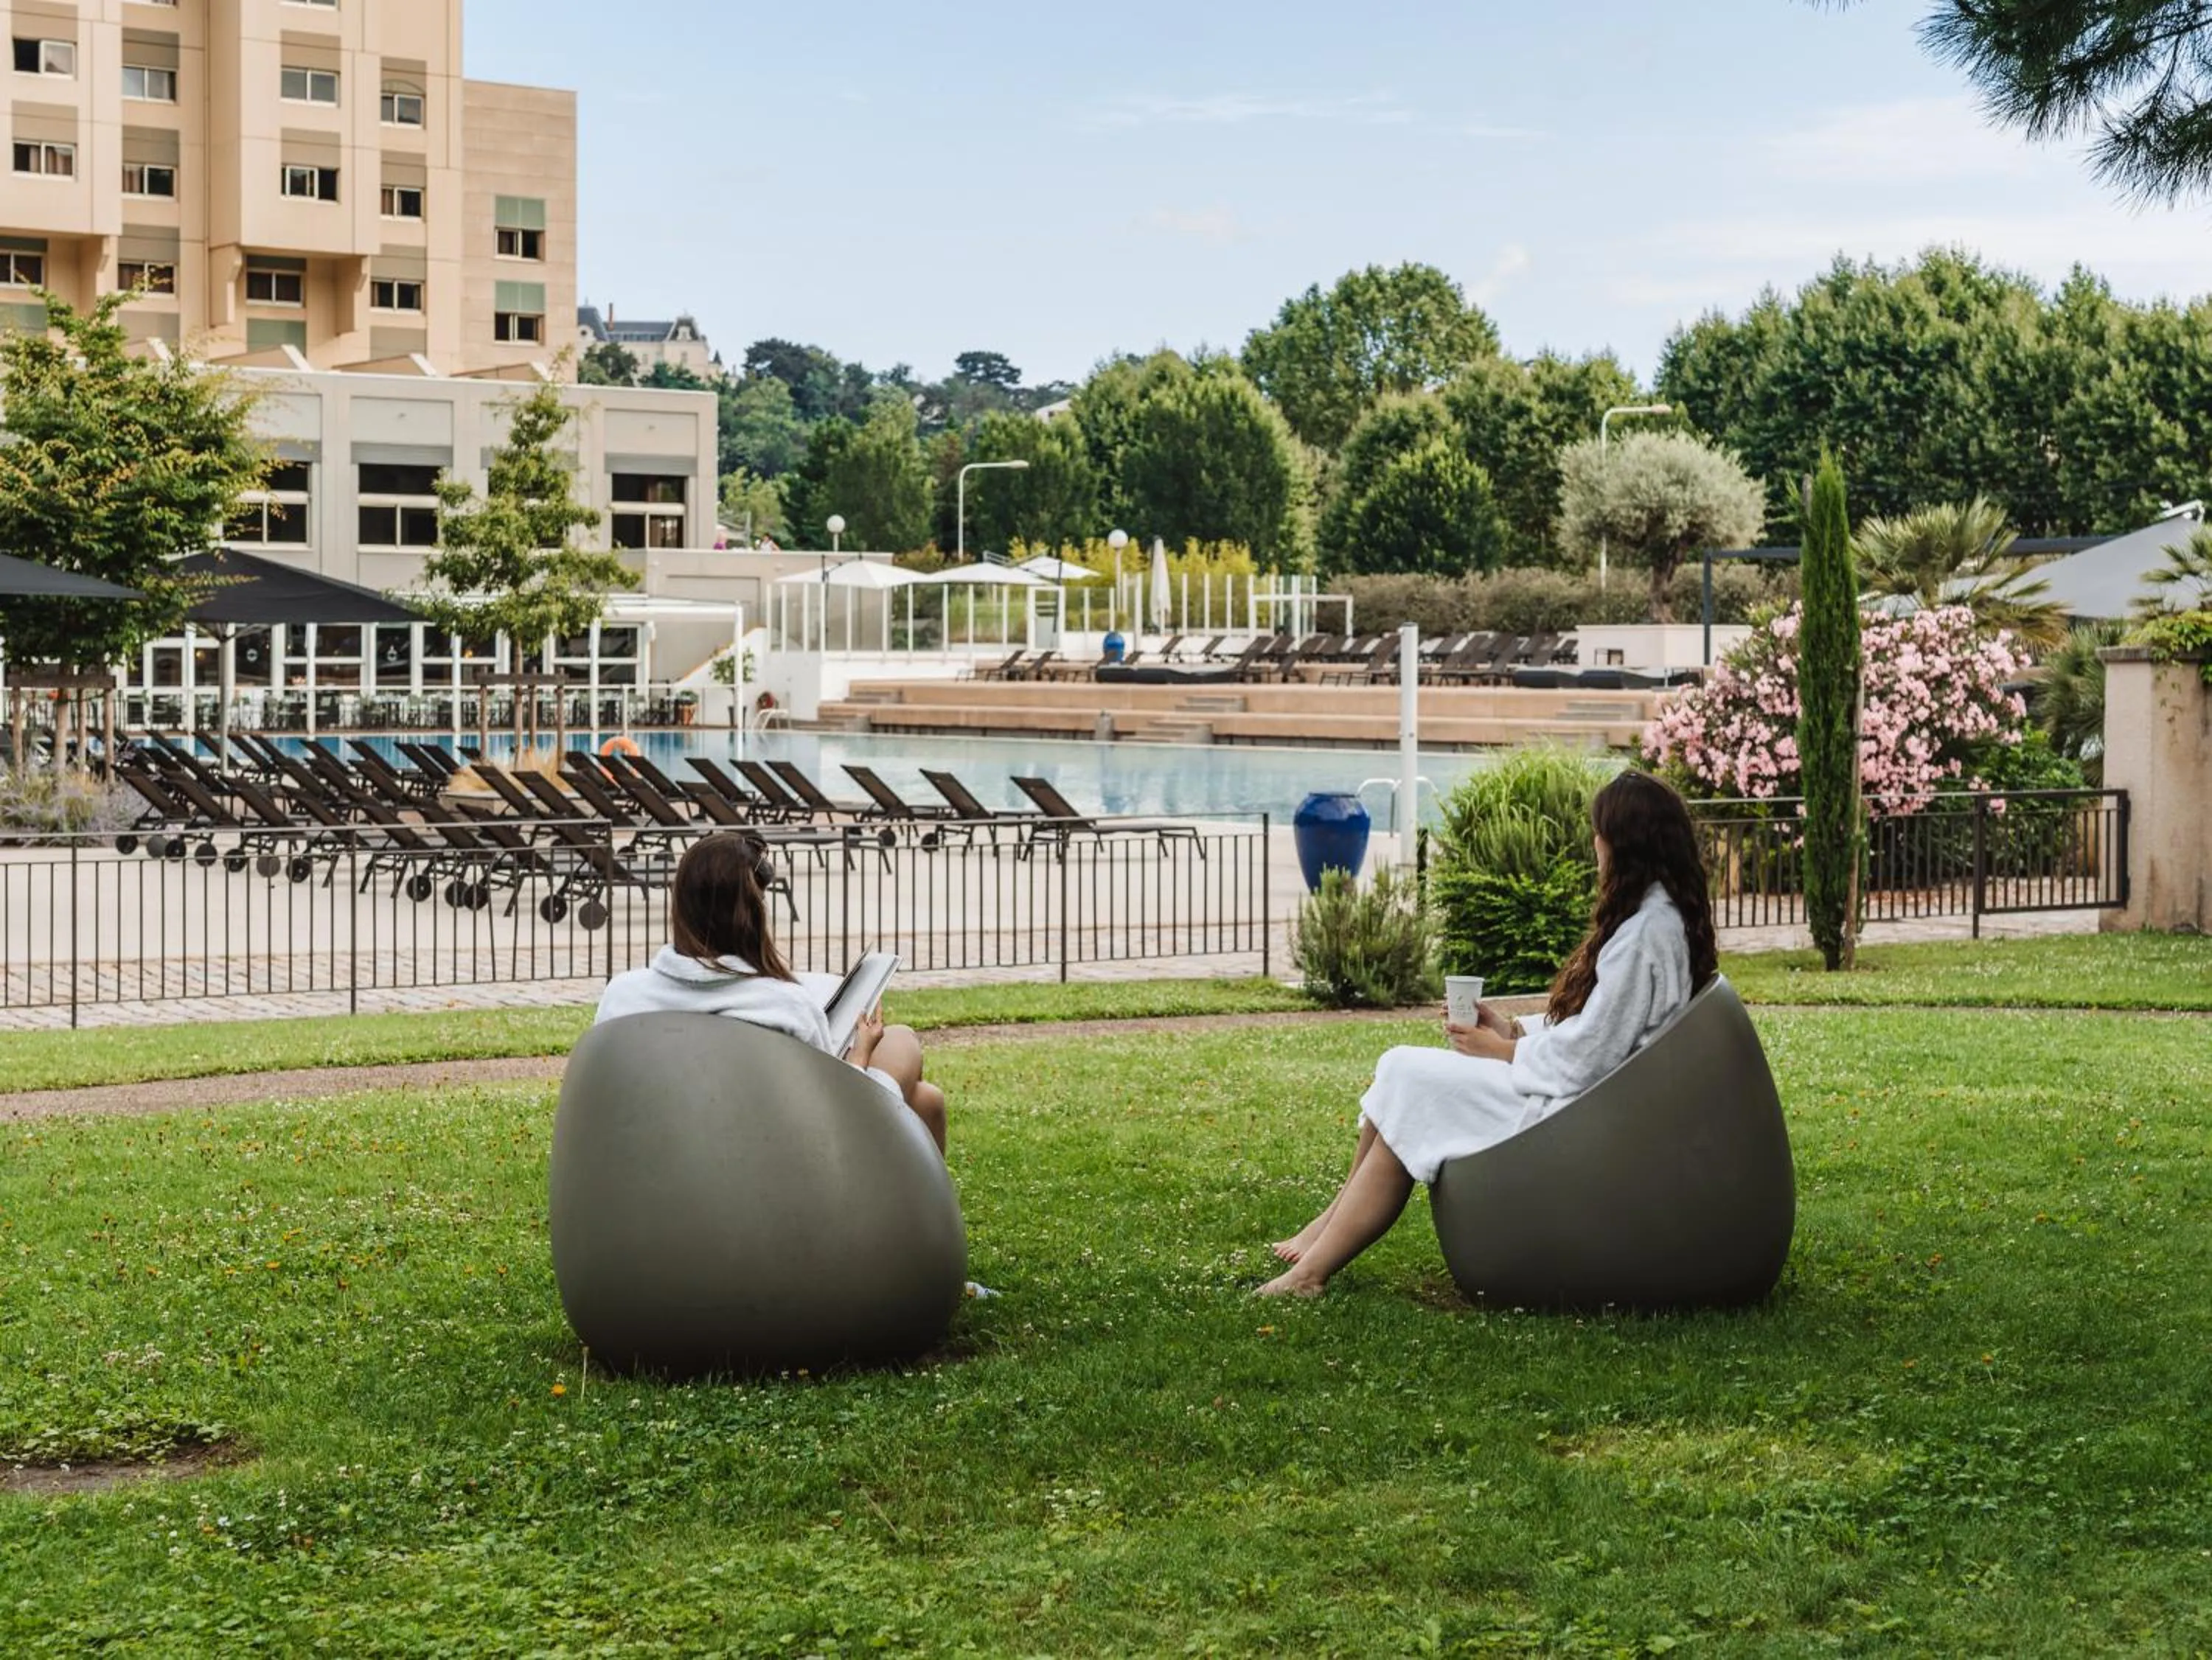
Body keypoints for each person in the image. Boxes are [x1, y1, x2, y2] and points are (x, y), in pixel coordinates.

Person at [1258, 770, 1717, 1298]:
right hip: (1584, 1096)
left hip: (1576, 1113)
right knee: (1402, 1070)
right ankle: (1328, 1226)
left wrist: (1503, 1052)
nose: (1594, 843)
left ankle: (1310, 1273)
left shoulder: (1644, 935)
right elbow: (1605, 1032)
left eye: (1599, 832)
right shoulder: (1657, 918)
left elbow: (1593, 1054)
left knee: (1411, 1078)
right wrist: (1514, 1028)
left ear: (1622, 842)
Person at [595, 831, 948, 1154]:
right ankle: (908, 1209)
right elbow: (831, 1119)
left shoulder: (623, 995)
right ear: (754, 915)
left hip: (662, 1151)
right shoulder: (784, 1006)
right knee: (903, 1042)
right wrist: (860, 1057)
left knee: (927, 1101)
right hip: (774, 1163)